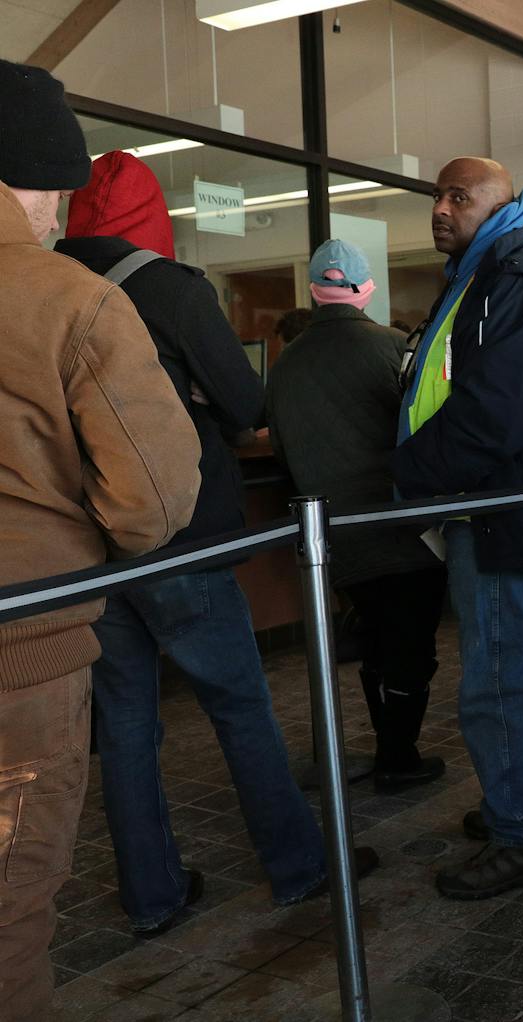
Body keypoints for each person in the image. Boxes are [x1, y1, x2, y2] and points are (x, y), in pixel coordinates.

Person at [56, 152, 375, 935]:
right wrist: (201, 394)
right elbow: (244, 405)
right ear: (151, 220)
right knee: (239, 704)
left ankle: (152, 895)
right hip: (177, 537)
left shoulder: (41, 290)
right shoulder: (171, 290)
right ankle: (300, 865)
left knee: (124, 722)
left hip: (81, 542)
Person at [0, 62, 200, 1018]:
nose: (58, 213)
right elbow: (151, 500)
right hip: (20, 658)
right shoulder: (70, 298)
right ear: (24, 175)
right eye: (53, 189)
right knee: (8, 918)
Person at [391, 158, 523, 900]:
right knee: (522, 673)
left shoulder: (514, 284)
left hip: (505, 517)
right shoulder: (482, 276)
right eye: (437, 194)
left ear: (503, 205)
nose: (440, 207)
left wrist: (406, 468)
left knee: (500, 684)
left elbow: (498, 413)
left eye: (458, 196)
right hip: (496, 511)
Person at [266, 238, 447, 793]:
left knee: (375, 638)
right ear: (364, 288)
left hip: (334, 539)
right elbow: (429, 433)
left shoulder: (285, 365)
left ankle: (391, 746)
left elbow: (282, 454)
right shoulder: (393, 348)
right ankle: (399, 754)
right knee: (411, 646)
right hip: (401, 530)